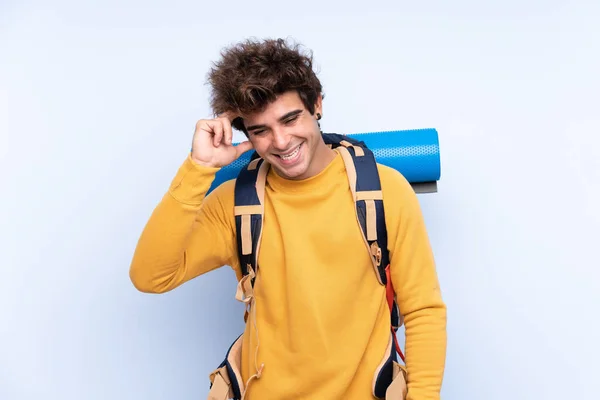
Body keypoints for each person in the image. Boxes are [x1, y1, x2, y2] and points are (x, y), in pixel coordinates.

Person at [129, 37, 447, 400]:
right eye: (260, 130)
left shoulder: (384, 190)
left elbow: (423, 311)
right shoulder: (236, 203)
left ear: (316, 105)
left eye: (290, 118)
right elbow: (151, 276)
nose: (280, 142)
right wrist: (198, 169)